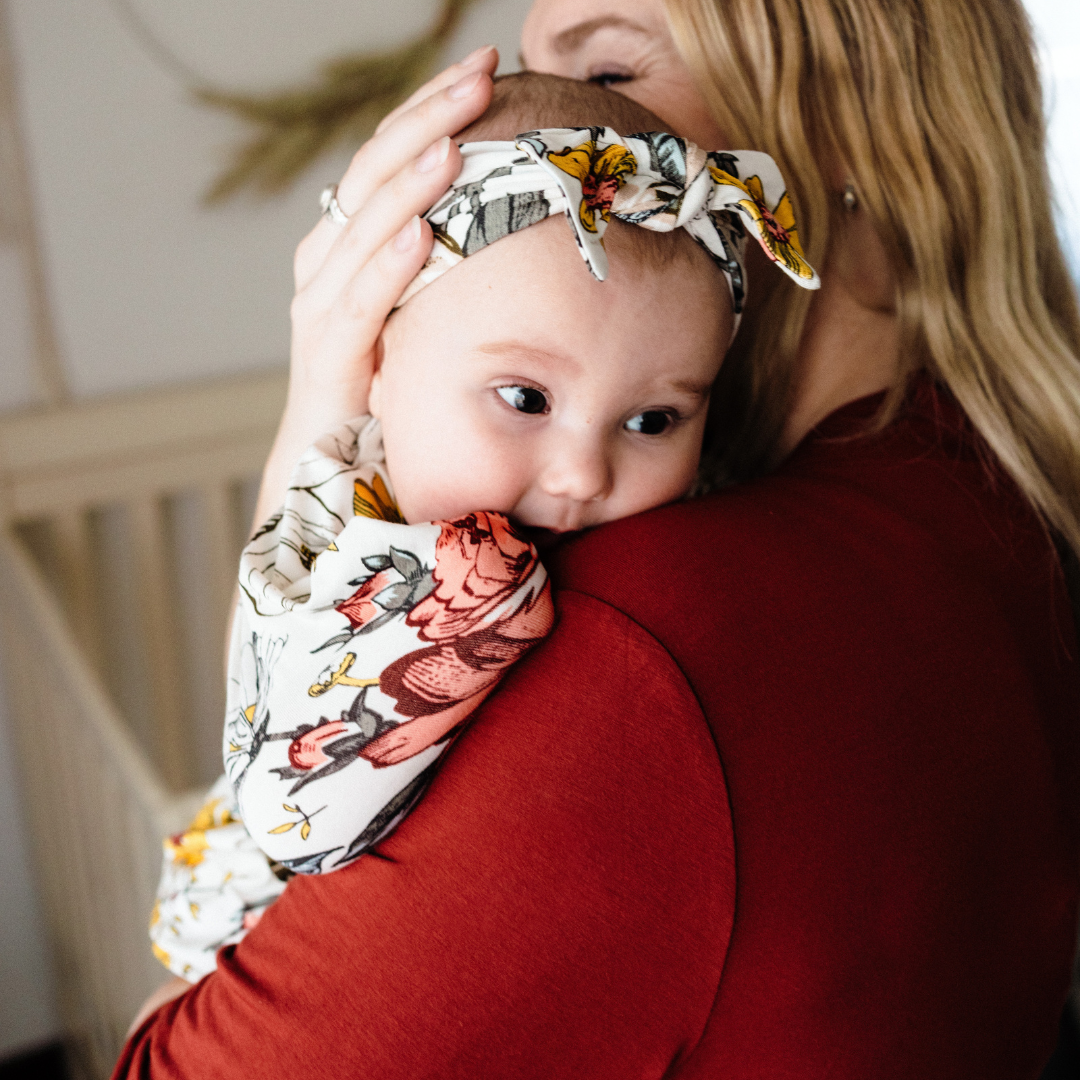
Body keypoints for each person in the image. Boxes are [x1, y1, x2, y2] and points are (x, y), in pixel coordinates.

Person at [117, 0, 1080, 1072]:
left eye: (610, 83)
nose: (557, 144)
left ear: (850, 104)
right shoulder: (987, 489)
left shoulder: (633, 648)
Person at [148, 72, 820, 983]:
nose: (583, 474)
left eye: (655, 419)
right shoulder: (404, 552)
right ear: (378, 360)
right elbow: (287, 814)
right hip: (252, 932)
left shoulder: (685, 536)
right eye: (525, 397)